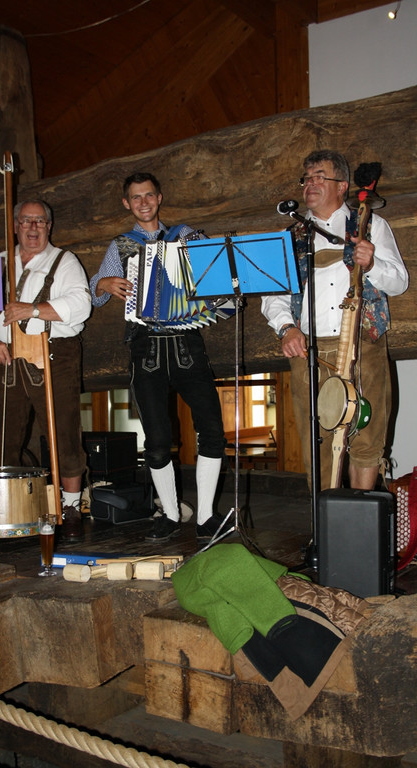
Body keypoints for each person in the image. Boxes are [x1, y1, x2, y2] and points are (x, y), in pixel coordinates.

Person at [89, 172, 225, 542]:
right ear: (127, 203)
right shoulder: (120, 246)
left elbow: (216, 273)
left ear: (159, 197)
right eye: (136, 197)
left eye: (149, 195)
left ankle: (206, 517)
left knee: (212, 429)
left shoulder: (187, 235)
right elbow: (96, 296)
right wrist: (101, 283)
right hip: (145, 347)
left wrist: (219, 289)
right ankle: (170, 513)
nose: (144, 202)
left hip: (187, 345)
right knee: (157, 438)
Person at [261, 150, 408, 491]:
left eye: (319, 177)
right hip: (308, 352)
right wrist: (287, 328)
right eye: (306, 178)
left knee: (367, 435)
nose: (309, 184)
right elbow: (273, 295)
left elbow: (399, 282)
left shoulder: (370, 225)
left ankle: (359, 514)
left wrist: (373, 264)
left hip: (363, 345)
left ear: (342, 185)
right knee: (317, 440)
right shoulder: (291, 236)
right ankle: (325, 520)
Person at [0, 199, 92, 538]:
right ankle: (8, 507)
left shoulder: (64, 261)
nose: (33, 227)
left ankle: (70, 506)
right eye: (26, 221)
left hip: (53, 355)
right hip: (5, 357)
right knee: (3, 435)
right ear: (15, 226)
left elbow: (81, 304)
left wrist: (32, 310)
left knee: (63, 431)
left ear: (49, 226)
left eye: (39, 221)